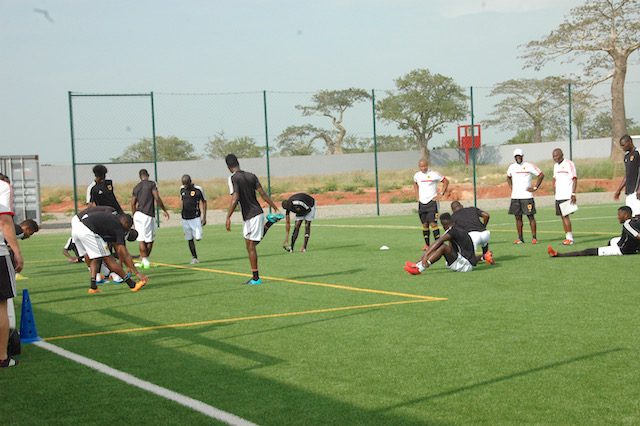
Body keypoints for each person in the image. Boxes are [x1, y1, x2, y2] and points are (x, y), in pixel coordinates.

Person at [225, 154, 282, 285]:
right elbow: (262, 193)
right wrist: (274, 207)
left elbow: (235, 198)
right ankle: (269, 223)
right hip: (257, 213)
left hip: (251, 215)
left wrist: (228, 217)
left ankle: (256, 278)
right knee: (251, 244)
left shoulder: (233, 178)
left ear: (228, 167)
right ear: (238, 162)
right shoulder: (252, 175)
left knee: (251, 245)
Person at [71, 207, 147, 294]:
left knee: (96, 258)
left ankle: (93, 287)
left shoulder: (112, 219)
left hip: (77, 229)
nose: (127, 230)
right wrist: (136, 273)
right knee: (108, 259)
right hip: (87, 231)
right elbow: (123, 252)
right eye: (129, 227)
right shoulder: (118, 226)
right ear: (125, 222)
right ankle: (132, 285)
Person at [404, 213, 482, 275]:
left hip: (466, 266)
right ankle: (418, 264)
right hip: (465, 262)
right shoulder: (457, 228)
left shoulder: (452, 231)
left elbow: (438, 241)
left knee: (443, 247)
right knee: (442, 247)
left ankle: (420, 268)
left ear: (444, 225)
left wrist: (425, 256)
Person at [548, 206, 640, 257]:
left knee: (589, 251)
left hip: (622, 250)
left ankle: (558, 254)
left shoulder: (627, 224)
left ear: (626, 214)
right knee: (612, 240)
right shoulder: (635, 220)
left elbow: (637, 236)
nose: (618, 217)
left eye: (619, 214)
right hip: (630, 246)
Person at [0, 178, 23, 367]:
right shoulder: (2, 186)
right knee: (1, 306)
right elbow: (5, 221)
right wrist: (16, 251)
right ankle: (2, 357)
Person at [131, 169, 170, 268]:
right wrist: (164, 210)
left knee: (141, 239)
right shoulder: (152, 184)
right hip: (147, 215)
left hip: (138, 214)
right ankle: (145, 260)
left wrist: (134, 215)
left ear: (140, 177)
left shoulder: (136, 187)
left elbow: (132, 203)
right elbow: (157, 198)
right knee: (150, 239)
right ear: (148, 175)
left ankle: (143, 260)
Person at [507, 148, 544, 244]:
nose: (518, 158)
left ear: (522, 156)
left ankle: (534, 238)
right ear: (514, 157)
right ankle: (520, 238)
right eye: (516, 156)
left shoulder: (529, 166)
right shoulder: (511, 167)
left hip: (527, 197)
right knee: (518, 218)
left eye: (519, 156)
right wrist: (511, 187)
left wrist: (535, 187)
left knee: (530, 217)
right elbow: (508, 177)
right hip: (515, 197)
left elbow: (541, 175)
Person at [413, 158, 449, 249]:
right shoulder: (417, 175)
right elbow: (415, 183)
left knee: (433, 224)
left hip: (432, 202)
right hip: (422, 203)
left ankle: (438, 244)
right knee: (425, 224)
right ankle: (427, 245)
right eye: (421, 166)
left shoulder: (434, 174)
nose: (423, 168)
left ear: (427, 165)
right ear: (419, 167)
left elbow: (445, 181)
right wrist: (417, 195)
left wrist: (441, 194)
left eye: (424, 166)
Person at [552, 148, 578, 245]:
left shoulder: (569, 164)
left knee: (565, 216)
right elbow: (554, 179)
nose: (555, 158)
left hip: (567, 195)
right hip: (558, 196)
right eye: (553, 156)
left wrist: (573, 193)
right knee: (562, 217)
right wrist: (554, 190)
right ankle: (567, 237)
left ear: (562, 155)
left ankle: (570, 238)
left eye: (556, 155)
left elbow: (574, 179)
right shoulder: (555, 166)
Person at [180, 175, 207, 264]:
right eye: (184, 184)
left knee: (198, 237)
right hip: (185, 218)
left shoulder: (198, 190)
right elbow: (181, 201)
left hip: (195, 218)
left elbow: (204, 202)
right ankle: (194, 257)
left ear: (190, 182)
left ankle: (197, 234)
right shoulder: (181, 189)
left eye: (186, 184)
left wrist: (204, 217)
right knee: (189, 238)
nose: (185, 186)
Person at [613, 134, 640, 217]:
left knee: (638, 216)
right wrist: (619, 190)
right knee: (631, 217)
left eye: (623, 145)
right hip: (629, 191)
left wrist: (639, 188)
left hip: (637, 191)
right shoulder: (626, 156)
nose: (622, 148)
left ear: (629, 142)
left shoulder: (637, 153)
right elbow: (627, 175)